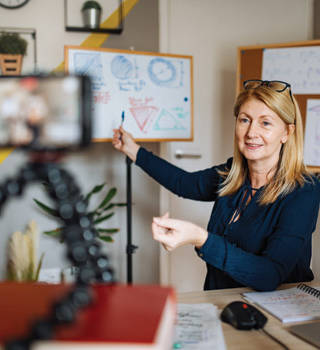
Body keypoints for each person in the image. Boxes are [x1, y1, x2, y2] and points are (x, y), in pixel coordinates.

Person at [112, 80, 320, 291]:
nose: (251, 132)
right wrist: (133, 150)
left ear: (287, 132)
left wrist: (200, 238)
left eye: (265, 123)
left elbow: (270, 275)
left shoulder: (304, 190)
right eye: (245, 120)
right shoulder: (230, 175)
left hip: (278, 313)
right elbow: (183, 183)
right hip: (223, 302)